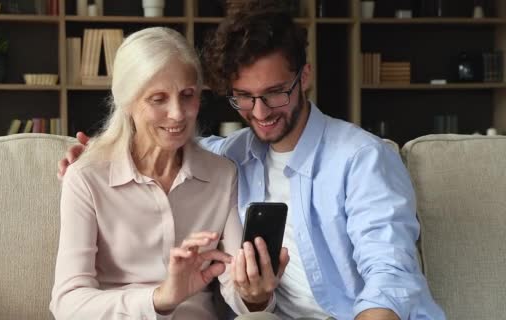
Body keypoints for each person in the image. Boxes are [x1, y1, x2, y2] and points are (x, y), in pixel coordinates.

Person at [58, 3, 446, 320]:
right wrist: (96, 153)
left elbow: (390, 275)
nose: (260, 112)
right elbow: (160, 142)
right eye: (244, 96)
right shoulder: (232, 155)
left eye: (276, 93)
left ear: (304, 76)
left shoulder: (362, 158)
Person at [49, 27, 289, 320]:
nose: (177, 113)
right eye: (158, 99)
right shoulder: (86, 177)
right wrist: (160, 299)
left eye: (187, 95)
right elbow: (67, 304)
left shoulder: (221, 175)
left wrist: (256, 296)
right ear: (127, 101)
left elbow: (234, 286)